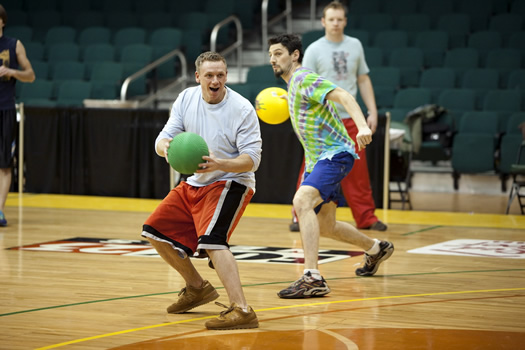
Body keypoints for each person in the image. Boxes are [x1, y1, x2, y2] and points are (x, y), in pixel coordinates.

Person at [141, 51, 262, 330]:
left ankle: (242, 310)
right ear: (198, 77)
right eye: (209, 75)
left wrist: (221, 163)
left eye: (220, 75)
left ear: (226, 76)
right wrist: (167, 149)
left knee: (212, 241)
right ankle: (197, 288)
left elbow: (252, 160)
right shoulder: (186, 98)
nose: (215, 80)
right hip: (195, 181)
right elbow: (163, 139)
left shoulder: (242, 108)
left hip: (233, 181)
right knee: (153, 231)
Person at [268, 33, 394, 299]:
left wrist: (361, 126)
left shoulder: (303, 78)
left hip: (334, 154)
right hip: (319, 160)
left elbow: (345, 95)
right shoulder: (292, 85)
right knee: (327, 226)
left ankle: (312, 278)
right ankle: (375, 248)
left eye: (278, 53)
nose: (272, 59)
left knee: (302, 202)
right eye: (270, 55)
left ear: (295, 55)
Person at [289, 1, 387, 232]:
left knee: (358, 172)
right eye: (331, 19)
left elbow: (363, 79)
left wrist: (372, 111)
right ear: (323, 21)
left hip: (350, 118)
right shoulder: (313, 50)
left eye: (339, 19)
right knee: (311, 166)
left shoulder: (355, 45)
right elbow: (300, 82)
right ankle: (299, 215)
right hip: (322, 122)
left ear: (345, 21)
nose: (335, 23)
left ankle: (366, 218)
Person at [0, 4, 35, 227]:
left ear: (2, 21)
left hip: (5, 108)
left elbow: (30, 75)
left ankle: (0, 211)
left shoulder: (14, 45)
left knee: (4, 164)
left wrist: (12, 72)